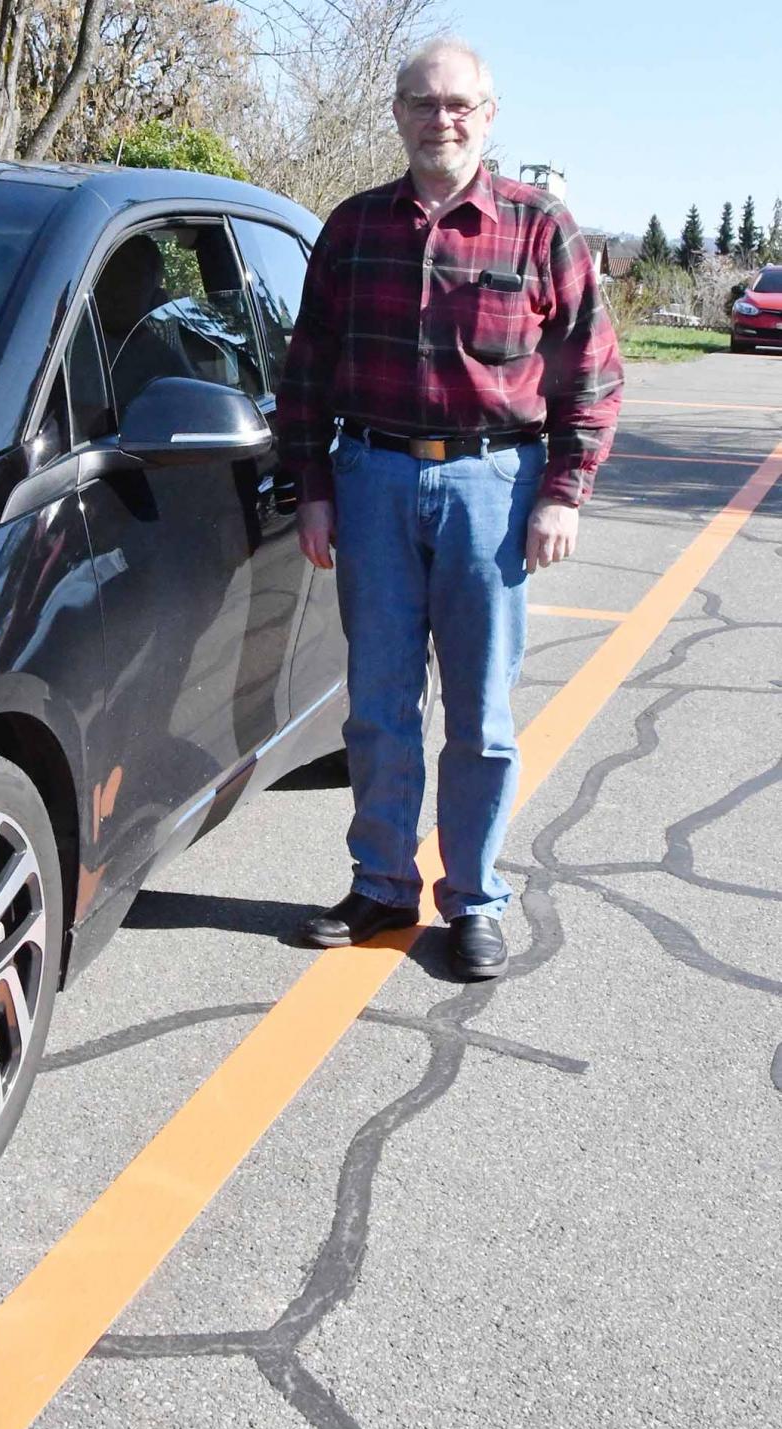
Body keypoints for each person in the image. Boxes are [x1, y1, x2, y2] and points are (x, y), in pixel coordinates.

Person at [275, 38, 623, 980]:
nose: (443, 119)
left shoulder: (539, 227)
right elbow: (305, 371)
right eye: (424, 104)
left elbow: (590, 372)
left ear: (489, 114)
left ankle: (471, 899)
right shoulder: (352, 229)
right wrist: (312, 488)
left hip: (493, 489)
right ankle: (381, 886)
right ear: (396, 113)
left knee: (479, 714)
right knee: (379, 707)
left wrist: (563, 490)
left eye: (459, 104)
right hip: (372, 480)